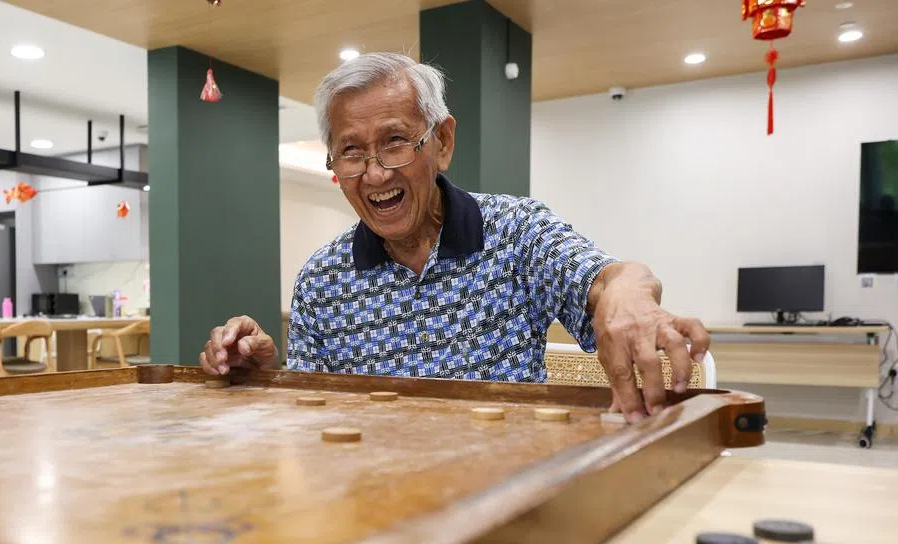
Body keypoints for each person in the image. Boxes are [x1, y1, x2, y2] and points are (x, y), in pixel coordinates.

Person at [200, 53, 709, 422]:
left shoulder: (516, 233)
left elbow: (605, 281)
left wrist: (628, 286)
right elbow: (312, 413)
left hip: (506, 499)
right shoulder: (322, 279)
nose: (375, 174)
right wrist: (263, 379)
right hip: (370, 505)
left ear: (441, 142)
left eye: (395, 142)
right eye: (351, 152)